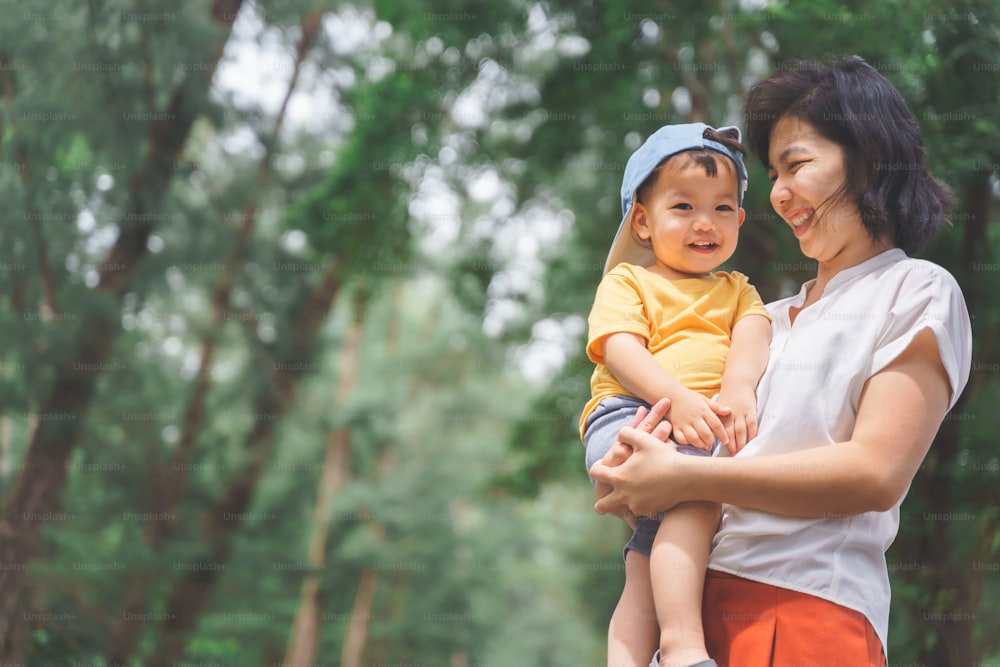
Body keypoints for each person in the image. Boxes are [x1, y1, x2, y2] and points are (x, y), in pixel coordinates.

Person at [590, 56, 973, 667]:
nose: (778, 193)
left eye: (796, 164)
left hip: (803, 616)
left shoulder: (916, 290)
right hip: (688, 620)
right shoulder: (762, 318)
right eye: (772, 173)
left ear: (869, 154)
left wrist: (687, 477)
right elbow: (682, 464)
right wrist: (635, 472)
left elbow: (874, 474)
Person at [580, 123, 771, 667]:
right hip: (633, 417)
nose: (705, 223)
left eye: (723, 208)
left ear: (738, 217)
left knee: (644, 565)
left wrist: (737, 387)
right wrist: (680, 397)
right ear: (642, 219)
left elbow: (754, 334)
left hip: (693, 426)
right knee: (696, 499)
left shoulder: (737, 289)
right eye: (683, 206)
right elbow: (619, 348)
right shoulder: (628, 281)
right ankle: (685, 650)